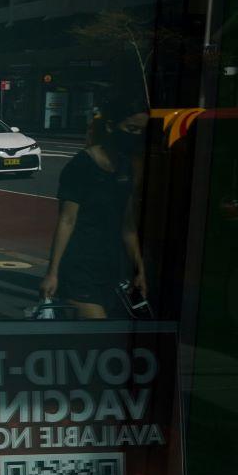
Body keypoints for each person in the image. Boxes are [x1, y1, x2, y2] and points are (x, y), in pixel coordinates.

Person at [39, 96, 149, 318]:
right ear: (110, 126)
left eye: (140, 131)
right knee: (99, 331)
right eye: (130, 128)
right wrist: (53, 272)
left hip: (111, 267)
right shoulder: (81, 165)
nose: (135, 136)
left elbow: (128, 226)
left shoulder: (126, 167)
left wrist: (139, 270)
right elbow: (67, 220)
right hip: (80, 266)